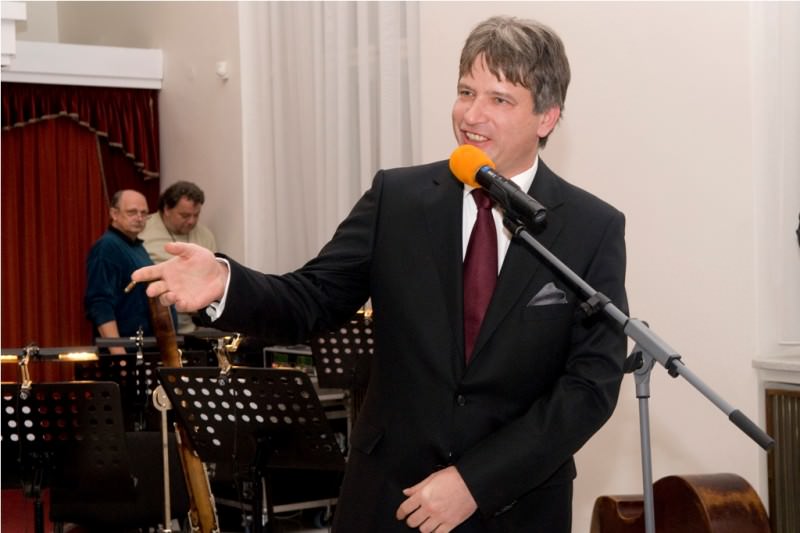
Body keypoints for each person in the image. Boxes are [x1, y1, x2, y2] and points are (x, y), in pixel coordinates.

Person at [133, 15, 629, 532]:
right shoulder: (399, 199)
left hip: (517, 507)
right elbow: (312, 297)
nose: (471, 115)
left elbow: (589, 386)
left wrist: (475, 482)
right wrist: (226, 283)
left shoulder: (590, 228)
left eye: (499, 99)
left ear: (546, 117)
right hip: (389, 497)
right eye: (465, 91)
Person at [139, 180, 217, 333]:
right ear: (167, 209)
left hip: (191, 324)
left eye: (196, 215)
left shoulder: (205, 235)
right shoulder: (143, 231)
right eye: (185, 215)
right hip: (152, 324)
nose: (191, 221)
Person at [85, 189, 156, 355]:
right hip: (125, 350)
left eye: (144, 213)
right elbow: (100, 303)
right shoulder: (106, 247)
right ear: (114, 214)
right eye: (132, 212)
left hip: (143, 347)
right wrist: (118, 353)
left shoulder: (136, 247)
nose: (139, 218)